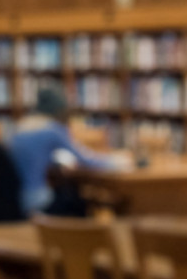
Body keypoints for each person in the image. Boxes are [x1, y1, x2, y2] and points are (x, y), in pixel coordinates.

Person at [8, 87, 114, 215]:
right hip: (38, 200)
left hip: (15, 199)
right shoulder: (52, 129)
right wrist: (115, 162)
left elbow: (33, 158)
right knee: (79, 201)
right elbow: (85, 160)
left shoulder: (20, 127)